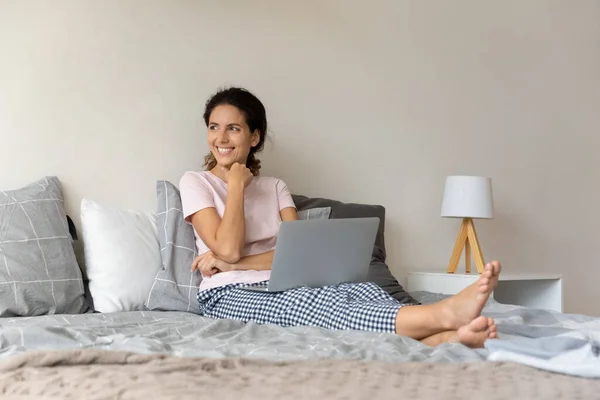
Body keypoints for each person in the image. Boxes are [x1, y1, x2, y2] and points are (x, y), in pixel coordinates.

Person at [180, 86, 501, 348]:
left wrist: (234, 263)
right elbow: (230, 247)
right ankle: (442, 314)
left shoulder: (275, 187)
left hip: (286, 282)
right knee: (309, 308)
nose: (221, 138)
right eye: (214, 127)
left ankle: (449, 338)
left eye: (233, 128)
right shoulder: (196, 182)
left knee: (361, 291)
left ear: (254, 137)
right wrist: (236, 185)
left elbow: (297, 257)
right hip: (228, 293)